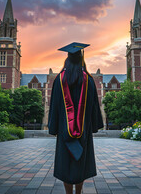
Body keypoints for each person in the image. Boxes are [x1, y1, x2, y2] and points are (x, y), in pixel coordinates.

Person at [48, 42, 104, 194]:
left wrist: (53, 128)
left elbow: (53, 107)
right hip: (83, 132)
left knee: (66, 165)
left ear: (67, 59)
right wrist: (94, 126)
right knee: (80, 164)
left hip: (64, 131)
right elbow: (94, 107)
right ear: (81, 59)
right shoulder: (89, 81)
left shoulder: (59, 80)